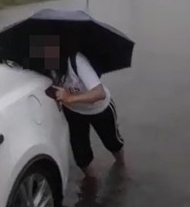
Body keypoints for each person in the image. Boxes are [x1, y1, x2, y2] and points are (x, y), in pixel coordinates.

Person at [31, 34, 125, 179]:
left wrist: (70, 98)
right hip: (74, 112)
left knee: (113, 143)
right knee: (81, 156)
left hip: (99, 108)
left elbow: (99, 93)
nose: (46, 57)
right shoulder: (46, 66)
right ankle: (92, 181)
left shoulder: (76, 61)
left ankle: (121, 166)